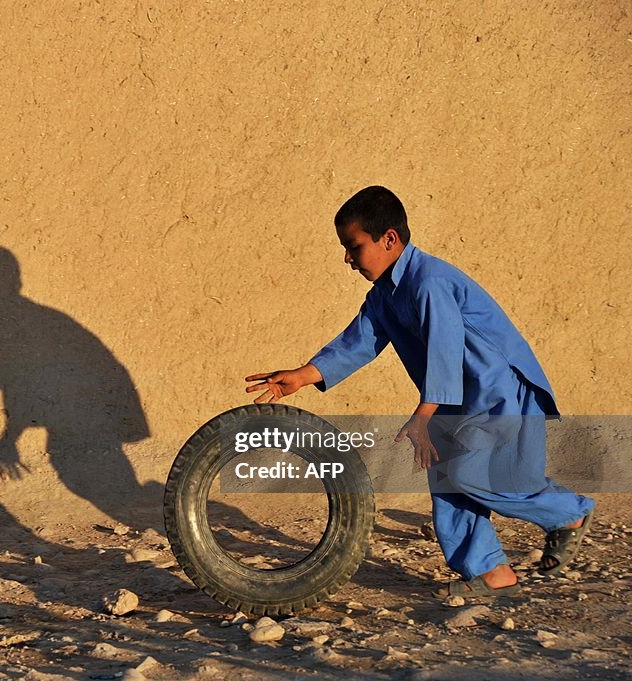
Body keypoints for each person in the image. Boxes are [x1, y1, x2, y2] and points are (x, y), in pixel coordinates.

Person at [244, 186, 595, 598]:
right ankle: (491, 571)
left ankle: (568, 513)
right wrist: (303, 375)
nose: (347, 259)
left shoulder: (429, 282)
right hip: (459, 400)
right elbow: (358, 342)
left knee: (476, 475)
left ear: (389, 239)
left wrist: (423, 415)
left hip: (500, 393)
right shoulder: (384, 296)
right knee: (447, 477)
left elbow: (445, 351)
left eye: (354, 247)